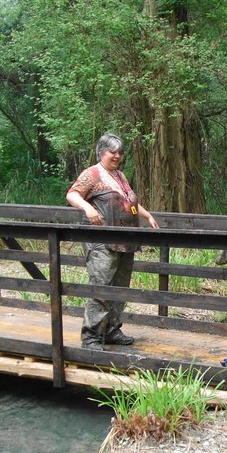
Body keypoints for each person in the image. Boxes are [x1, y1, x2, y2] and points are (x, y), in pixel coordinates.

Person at [66, 133, 159, 350]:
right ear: (102, 152)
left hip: (126, 240)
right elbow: (72, 194)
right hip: (102, 242)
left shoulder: (119, 176)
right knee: (101, 287)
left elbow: (129, 202)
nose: (117, 156)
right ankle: (91, 336)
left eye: (120, 152)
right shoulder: (93, 173)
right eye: (112, 152)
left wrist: (146, 215)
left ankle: (111, 330)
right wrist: (88, 208)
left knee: (120, 287)